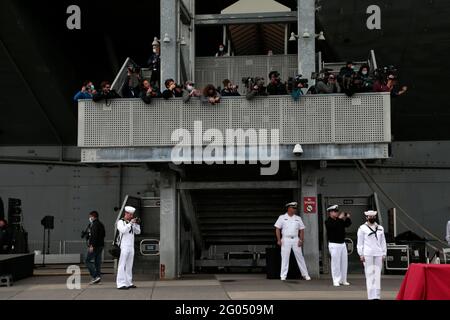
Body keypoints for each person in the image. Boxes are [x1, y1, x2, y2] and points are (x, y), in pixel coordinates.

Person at [274, 202, 311, 281]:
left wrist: (301, 240)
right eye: (293, 208)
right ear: (288, 208)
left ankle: (305, 275)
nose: (294, 210)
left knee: (300, 257)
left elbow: (301, 230)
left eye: (295, 208)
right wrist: (278, 239)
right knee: (285, 257)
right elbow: (277, 229)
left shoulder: (298, 218)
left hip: (295, 239)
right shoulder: (282, 217)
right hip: (285, 239)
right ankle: (283, 276)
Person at [357, 210, 387, 300]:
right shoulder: (362, 228)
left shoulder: (380, 228)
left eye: (373, 217)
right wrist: (361, 254)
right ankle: (371, 296)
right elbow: (360, 243)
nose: (372, 218)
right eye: (370, 217)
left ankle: (377, 296)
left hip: (378, 253)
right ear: (366, 217)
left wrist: (384, 253)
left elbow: (383, 242)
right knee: (369, 274)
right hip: (367, 254)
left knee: (377, 275)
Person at [325, 205, 352, 287]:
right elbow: (333, 226)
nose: (337, 213)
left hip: (342, 244)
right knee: (335, 263)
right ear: (330, 212)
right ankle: (336, 280)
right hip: (334, 244)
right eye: (335, 211)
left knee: (344, 263)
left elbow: (348, 224)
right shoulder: (328, 221)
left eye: (337, 211)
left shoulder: (339, 220)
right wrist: (340, 218)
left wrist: (347, 217)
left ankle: (343, 280)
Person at [116, 206, 141, 290]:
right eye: (130, 215)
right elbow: (123, 230)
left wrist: (136, 224)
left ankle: (128, 282)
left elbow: (138, 232)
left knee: (129, 265)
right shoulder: (120, 222)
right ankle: (120, 283)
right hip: (124, 246)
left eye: (132, 215)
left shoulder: (131, 223)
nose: (131, 216)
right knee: (122, 264)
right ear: (126, 214)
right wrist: (130, 223)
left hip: (131, 246)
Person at [85, 211, 105, 285]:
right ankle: (98, 277)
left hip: (95, 246)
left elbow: (94, 235)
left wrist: (91, 245)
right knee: (97, 262)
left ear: (93, 216)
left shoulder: (94, 225)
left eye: (90, 216)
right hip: (100, 245)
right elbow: (103, 234)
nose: (89, 218)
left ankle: (95, 276)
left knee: (87, 260)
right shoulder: (101, 224)